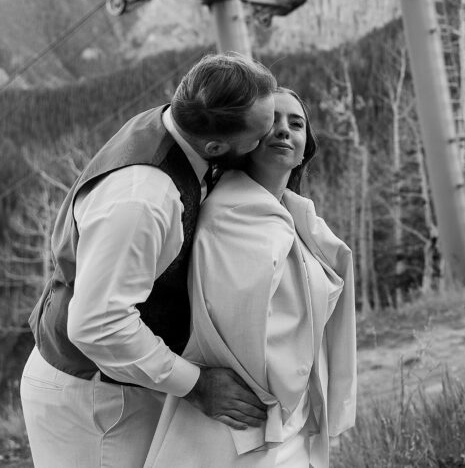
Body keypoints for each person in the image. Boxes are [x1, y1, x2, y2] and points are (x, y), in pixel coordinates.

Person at [20, 52, 278, 468]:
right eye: (261, 133)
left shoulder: (180, 122)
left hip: (124, 382)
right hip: (94, 401)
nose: (268, 139)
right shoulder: (142, 199)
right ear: (214, 146)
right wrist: (196, 385)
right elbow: (97, 325)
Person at [144, 88, 356, 468]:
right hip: (248, 422)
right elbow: (234, 330)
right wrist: (279, 404)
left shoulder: (299, 218)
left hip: (289, 417)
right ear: (245, 139)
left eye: (296, 123)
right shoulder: (230, 213)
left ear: (307, 145)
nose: (284, 131)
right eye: (272, 122)